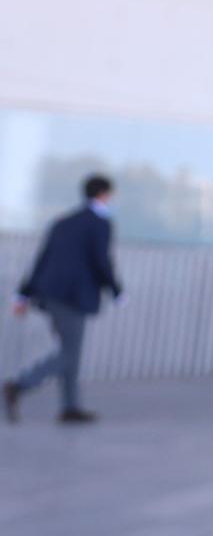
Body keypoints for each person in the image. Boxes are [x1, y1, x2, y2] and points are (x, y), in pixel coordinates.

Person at [6, 174, 123, 426]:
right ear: (104, 194)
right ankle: (19, 386)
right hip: (73, 297)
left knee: (72, 352)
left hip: (50, 294)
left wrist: (23, 294)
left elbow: (42, 259)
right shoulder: (99, 223)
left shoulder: (62, 222)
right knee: (69, 354)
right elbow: (102, 261)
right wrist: (116, 290)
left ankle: (70, 407)